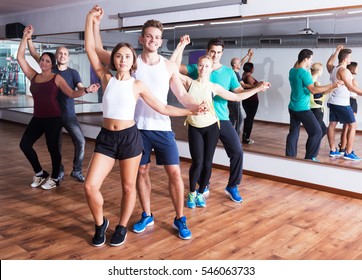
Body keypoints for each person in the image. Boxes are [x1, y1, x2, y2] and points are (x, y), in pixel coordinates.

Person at [87, 5, 206, 242]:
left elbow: (181, 96)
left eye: (157, 37)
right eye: (149, 36)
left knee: (174, 173)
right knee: (141, 173)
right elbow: (96, 49)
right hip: (136, 129)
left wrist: (195, 106)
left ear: (161, 42)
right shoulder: (129, 61)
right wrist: (94, 22)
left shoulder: (169, 66)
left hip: (161, 126)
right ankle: (147, 214)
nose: (153, 40)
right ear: (142, 39)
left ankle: (180, 218)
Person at [171, 35, 270, 203]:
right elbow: (174, 69)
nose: (215, 55)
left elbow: (237, 93)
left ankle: (232, 185)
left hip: (221, 119)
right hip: (201, 119)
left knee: (237, 151)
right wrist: (181, 46)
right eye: (212, 51)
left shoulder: (228, 72)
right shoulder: (199, 67)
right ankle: (202, 186)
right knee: (201, 158)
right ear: (207, 52)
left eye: (218, 52)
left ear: (222, 53)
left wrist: (256, 88)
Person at [17, 25, 100, 190]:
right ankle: (40, 173)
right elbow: (20, 57)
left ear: (52, 64)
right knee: (24, 144)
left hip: (54, 118)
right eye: (42, 60)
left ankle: (55, 177)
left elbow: (71, 93)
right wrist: (25, 37)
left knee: (54, 149)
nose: (43, 62)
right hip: (38, 117)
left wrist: (86, 90)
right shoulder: (34, 75)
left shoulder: (57, 78)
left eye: (47, 61)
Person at [27, 33, 87, 182]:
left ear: (68, 57)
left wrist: (88, 89)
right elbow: (35, 54)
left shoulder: (73, 73)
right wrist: (28, 38)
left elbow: (79, 88)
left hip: (69, 114)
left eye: (65, 54)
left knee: (80, 141)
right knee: (56, 147)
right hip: (53, 116)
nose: (62, 55)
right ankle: (58, 172)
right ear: (56, 56)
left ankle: (77, 170)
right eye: (60, 53)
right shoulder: (50, 71)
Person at [286, 49, 340, 161]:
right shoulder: (304, 73)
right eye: (311, 59)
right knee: (317, 131)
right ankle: (310, 158)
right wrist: (332, 86)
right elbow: (313, 90)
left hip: (292, 107)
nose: (311, 61)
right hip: (302, 109)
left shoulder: (292, 71)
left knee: (294, 132)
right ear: (305, 59)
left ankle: (290, 156)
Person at [326, 46, 362, 160]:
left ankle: (333, 150)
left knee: (332, 125)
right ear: (346, 58)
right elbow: (350, 87)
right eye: (349, 57)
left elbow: (329, 63)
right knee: (353, 125)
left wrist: (336, 51)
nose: (350, 59)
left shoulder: (334, 69)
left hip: (333, 101)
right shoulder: (343, 70)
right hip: (341, 103)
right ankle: (348, 152)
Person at [228, 49, 254, 135]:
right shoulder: (234, 74)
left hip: (232, 100)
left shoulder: (235, 72)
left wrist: (248, 55)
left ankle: (230, 135)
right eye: (239, 63)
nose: (241, 64)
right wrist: (257, 86)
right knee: (239, 119)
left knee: (232, 118)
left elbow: (242, 62)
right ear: (235, 65)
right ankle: (235, 136)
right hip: (233, 101)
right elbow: (244, 85)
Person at [339, 61, 359, 154]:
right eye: (357, 67)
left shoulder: (348, 77)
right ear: (353, 69)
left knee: (346, 126)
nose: (358, 69)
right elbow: (355, 92)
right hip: (351, 101)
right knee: (349, 126)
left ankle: (343, 147)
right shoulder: (352, 79)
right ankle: (345, 148)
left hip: (350, 101)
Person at [241, 61, 260, 144]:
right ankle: (246, 138)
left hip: (246, 100)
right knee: (250, 119)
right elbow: (251, 87)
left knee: (248, 118)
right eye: (253, 67)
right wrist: (260, 85)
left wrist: (250, 56)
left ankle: (245, 136)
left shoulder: (244, 74)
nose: (254, 69)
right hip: (252, 101)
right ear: (251, 69)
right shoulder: (249, 77)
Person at [309, 62, 328, 139]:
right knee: (318, 131)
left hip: (314, 108)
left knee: (322, 130)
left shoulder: (311, 80)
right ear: (318, 71)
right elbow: (322, 92)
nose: (322, 72)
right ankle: (313, 147)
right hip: (316, 109)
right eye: (322, 70)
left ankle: (314, 145)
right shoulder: (314, 82)